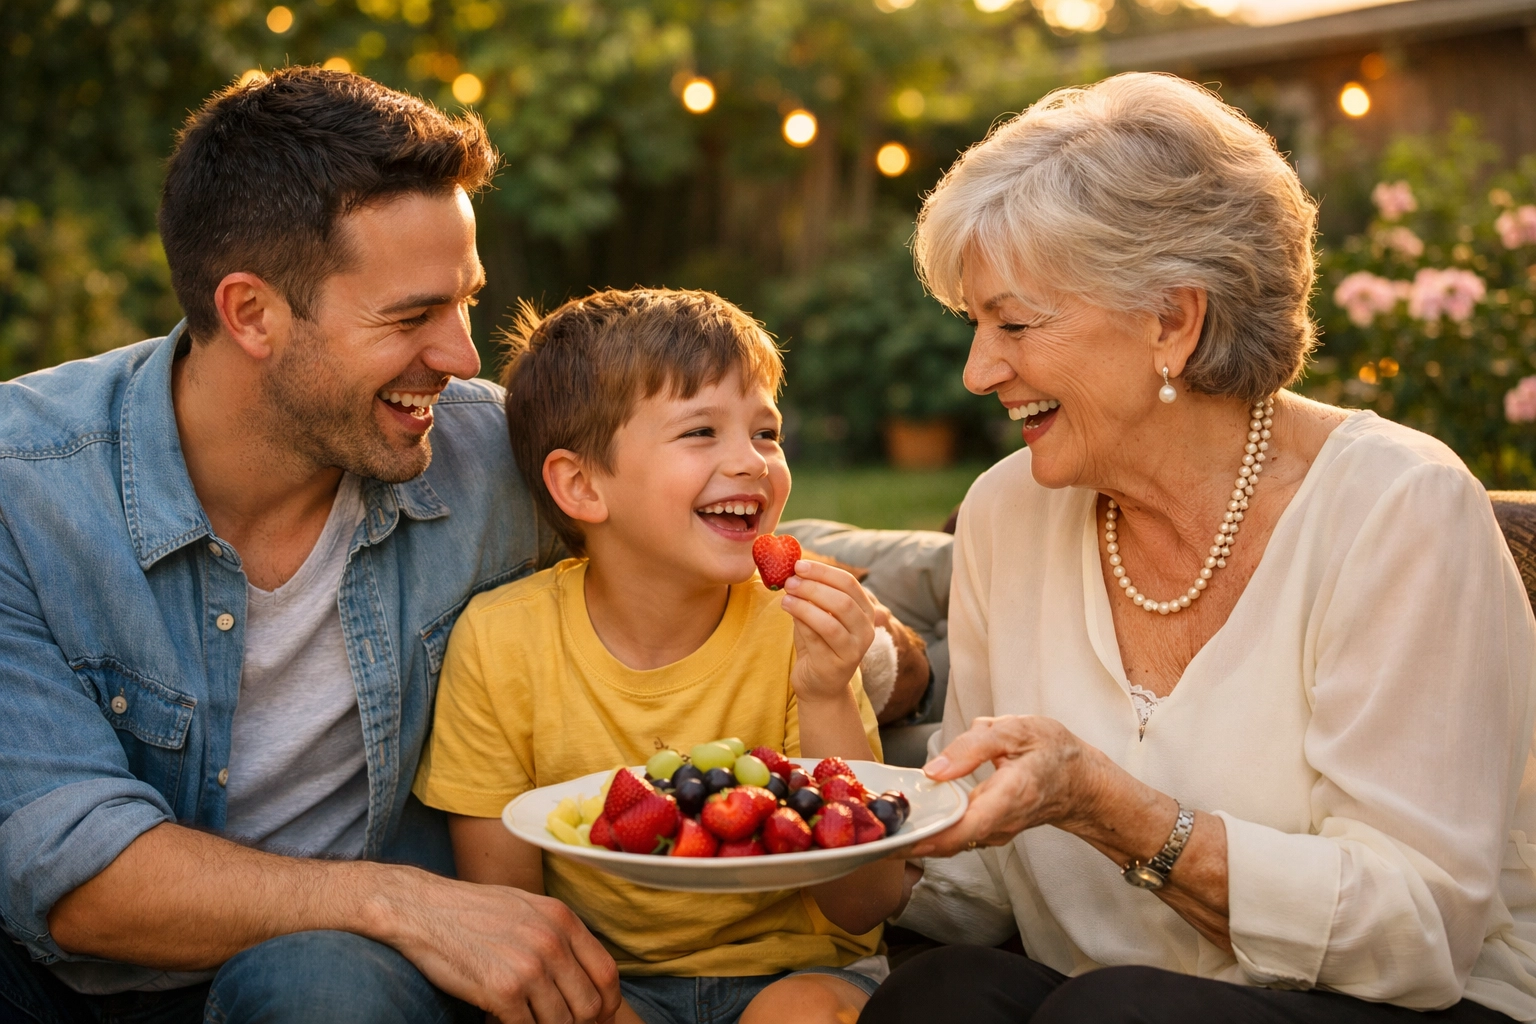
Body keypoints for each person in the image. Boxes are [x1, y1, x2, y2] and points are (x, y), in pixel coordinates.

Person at [859, 72, 1536, 1023]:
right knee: (939, 999)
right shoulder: (1007, 513)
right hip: (1102, 1001)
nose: (979, 371)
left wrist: (1109, 807)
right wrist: (827, 760)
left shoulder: (1397, 510)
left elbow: (1414, 930)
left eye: (1013, 323)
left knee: (1123, 1016)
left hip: (1408, 1003)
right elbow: (979, 898)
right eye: (975, 325)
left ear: (1172, 321)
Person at [0, 68, 621, 1024]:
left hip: (334, 979)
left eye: (465, 301)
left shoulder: (480, 453)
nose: (463, 356)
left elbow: (684, 518)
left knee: (315, 984)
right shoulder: (24, 488)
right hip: (64, 984)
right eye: (412, 316)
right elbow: (74, 869)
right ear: (250, 312)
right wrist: (404, 903)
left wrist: (901, 617)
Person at [411, 288, 904, 1024]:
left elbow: (867, 901)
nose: (752, 463)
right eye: (701, 431)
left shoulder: (792, 630)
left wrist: (831, 691)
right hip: (605, 979)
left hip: (798, 968)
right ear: (581, 485)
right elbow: (508, 914)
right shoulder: (499, 643)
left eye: (765, 433)